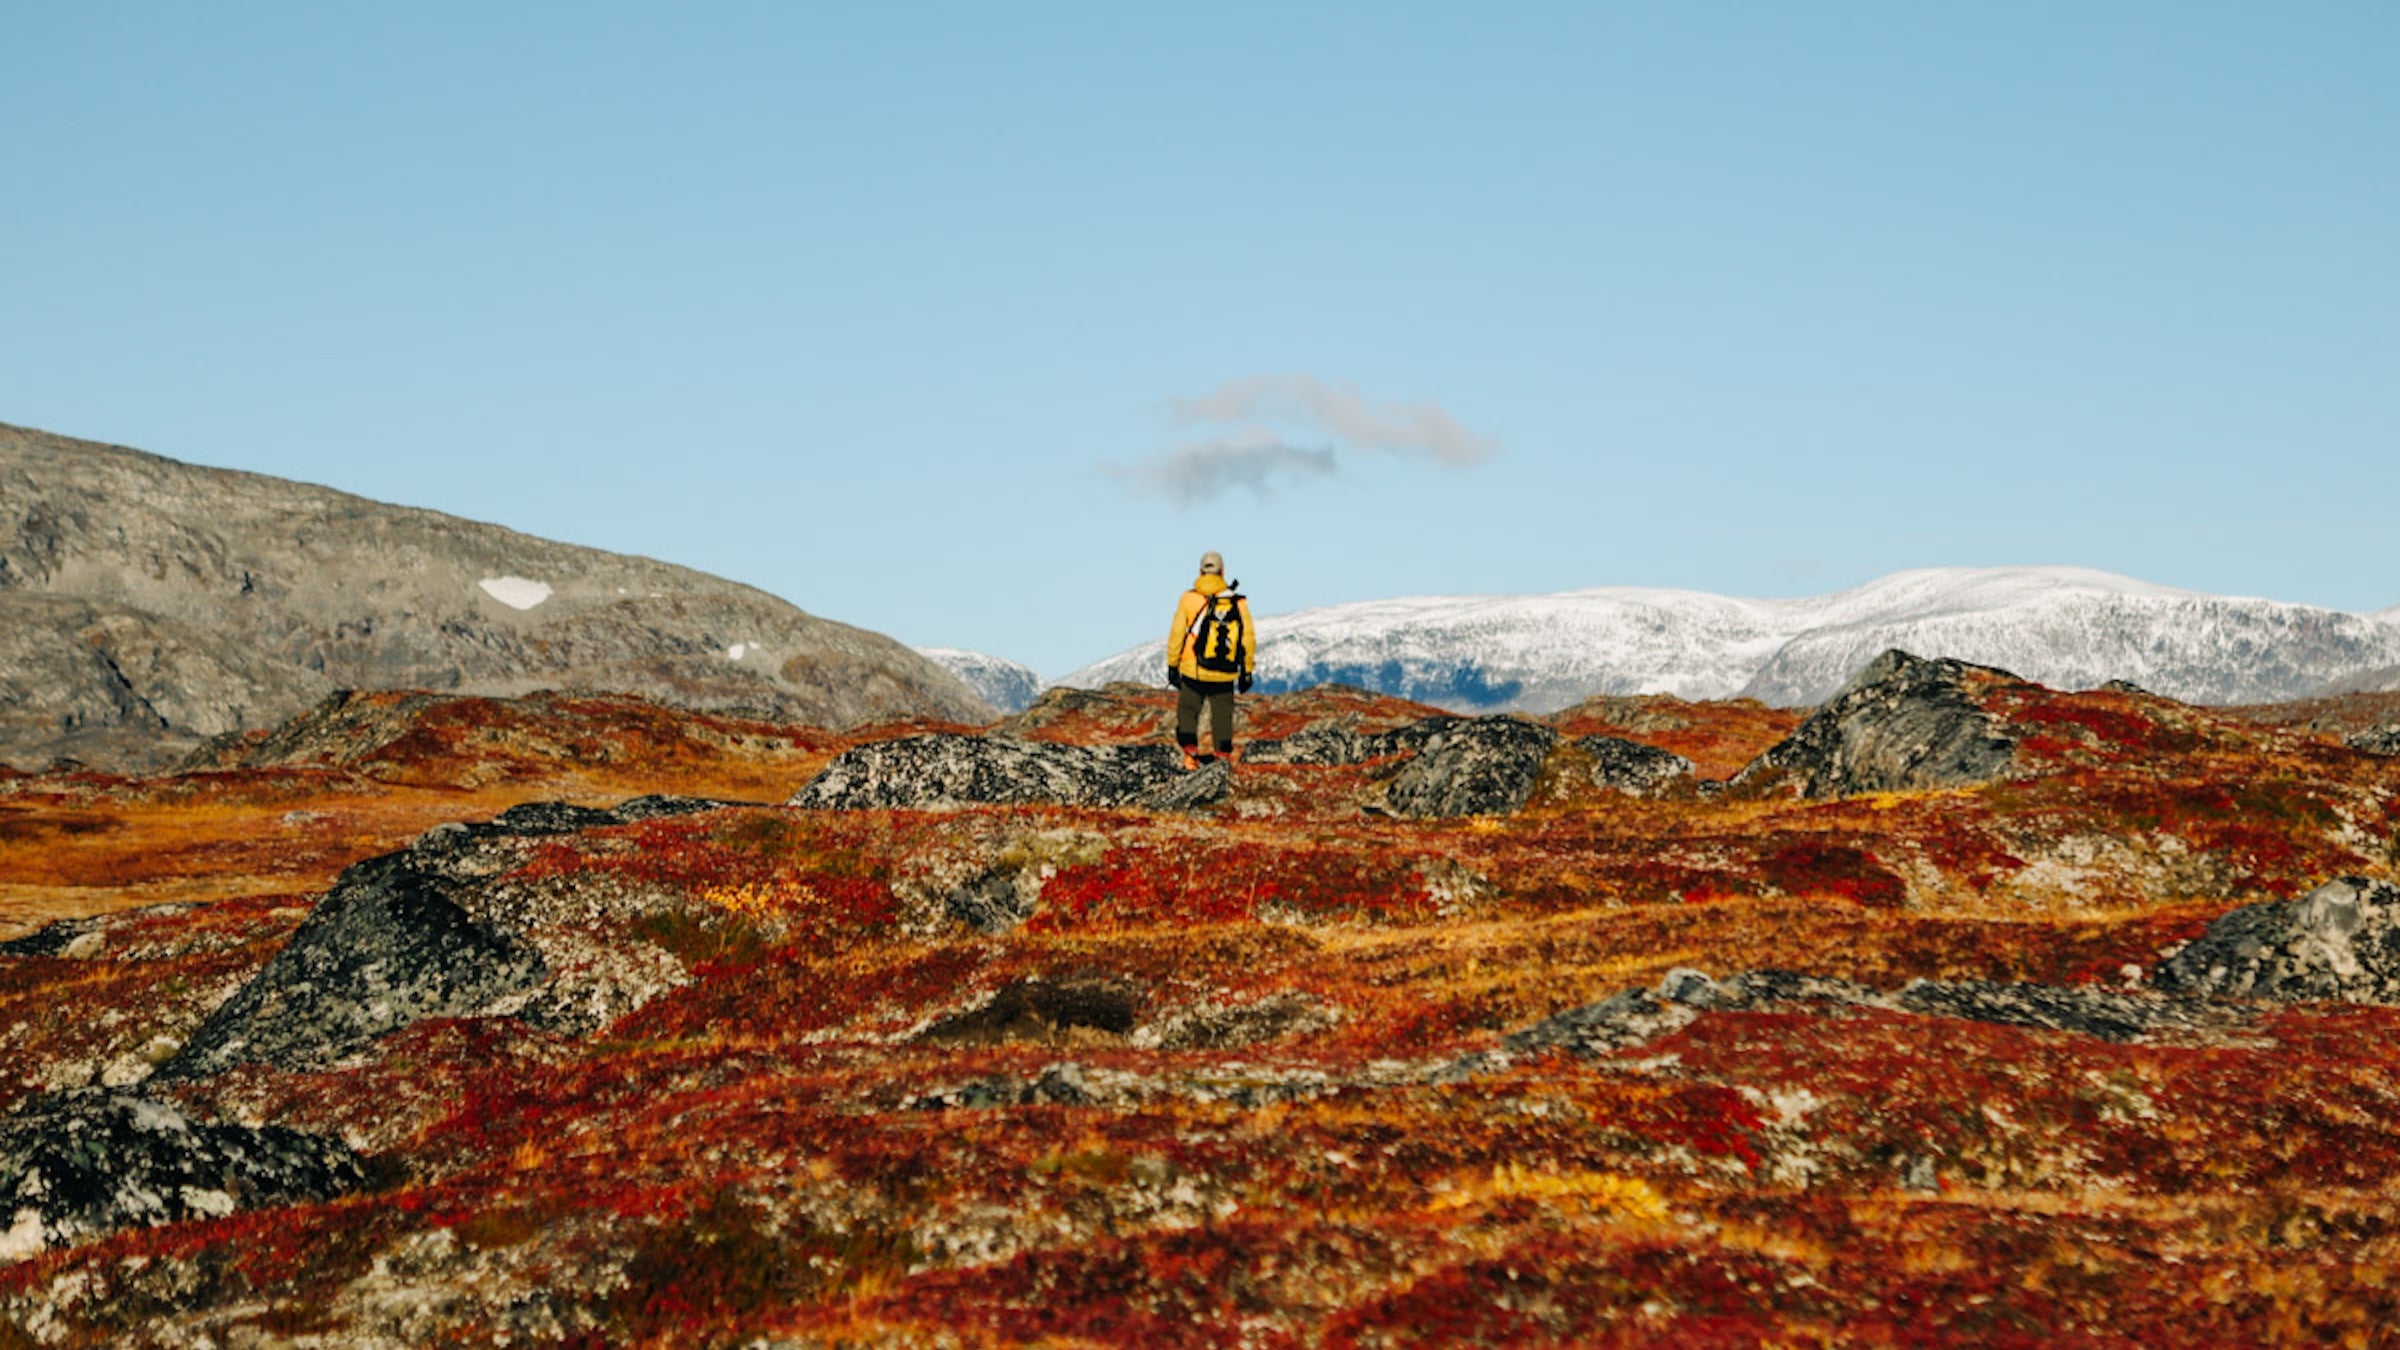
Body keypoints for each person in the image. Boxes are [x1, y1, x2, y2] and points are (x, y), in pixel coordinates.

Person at [1164, 550, 1256, 770]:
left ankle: (1190, 757)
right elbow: (1248, 637)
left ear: (1200, 571)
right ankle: (1222, 758)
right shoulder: (1236, 601)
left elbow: (1177, 633)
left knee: (1188, 711)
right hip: (1225, 669)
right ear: (1223, 572)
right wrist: (1247, 670)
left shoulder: (1189, 599)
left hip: (1193, 667)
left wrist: (1172, 664)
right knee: (1222, 715)